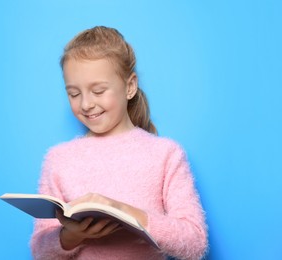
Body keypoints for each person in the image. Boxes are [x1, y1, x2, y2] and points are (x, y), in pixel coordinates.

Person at [30, 26, 208, 260]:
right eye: (74, 94)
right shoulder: (58, 159)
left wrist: (129, 213)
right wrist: (71, 237)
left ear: (130, 87)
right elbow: (39, 251)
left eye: (98, 90)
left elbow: (195, 243)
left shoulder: (165, 154)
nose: (86, 104)